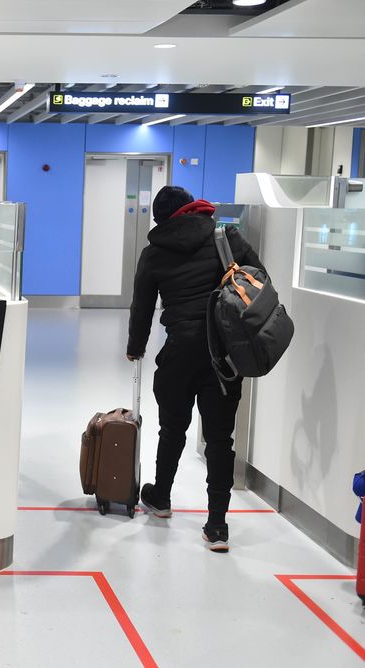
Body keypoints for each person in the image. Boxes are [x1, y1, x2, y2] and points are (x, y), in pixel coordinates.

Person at [126, 185, 266, 553]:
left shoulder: (154, 252)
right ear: (192, 207)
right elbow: (259, 281)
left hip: (180, 351)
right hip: (224, 353)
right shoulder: (226, 236)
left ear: (160, 219)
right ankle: (217, 526)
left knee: (172, 428)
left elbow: (141, 307)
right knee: (220, 439)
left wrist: (135, 348)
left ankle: (161, 498)